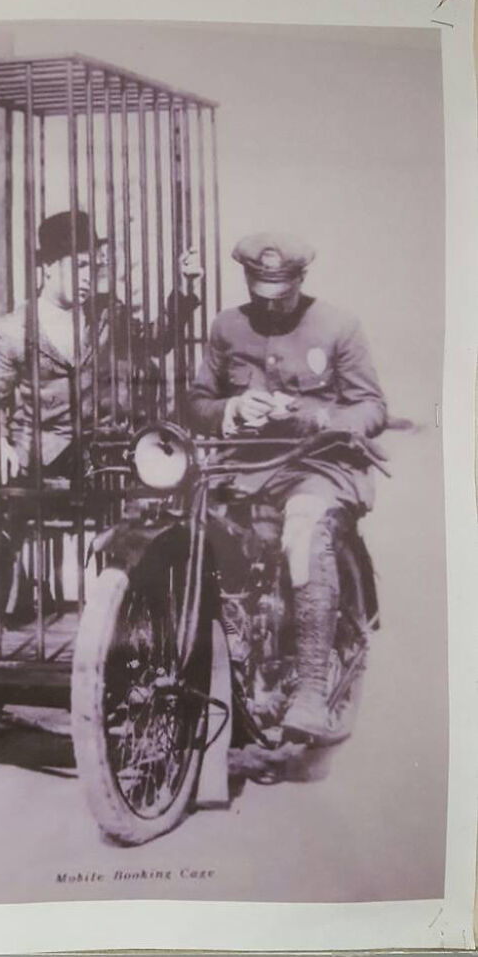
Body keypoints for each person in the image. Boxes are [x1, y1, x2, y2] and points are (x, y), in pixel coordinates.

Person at [188, 232, 387, 742]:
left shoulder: (338, 325)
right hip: (243, 469)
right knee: (199, 540)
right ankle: (217, 664)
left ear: (301, 278)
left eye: (281, 291)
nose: (270, 303)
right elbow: (197, 402)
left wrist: (315, 416)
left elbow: (371, 408)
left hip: (317, 466)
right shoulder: (228, 326)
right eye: (260, 291)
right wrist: (231, 410)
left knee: (303, 530)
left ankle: (312, 692)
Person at [0, 210, 201, 616]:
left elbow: (157, 342)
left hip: (98, 451)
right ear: (49, 268)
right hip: (34, 450)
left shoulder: (108, 315)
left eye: (95, 265)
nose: (90, 276)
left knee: (153, 487)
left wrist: (186, 288)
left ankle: (137, 603)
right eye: (80, 266)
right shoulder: (15, 328)